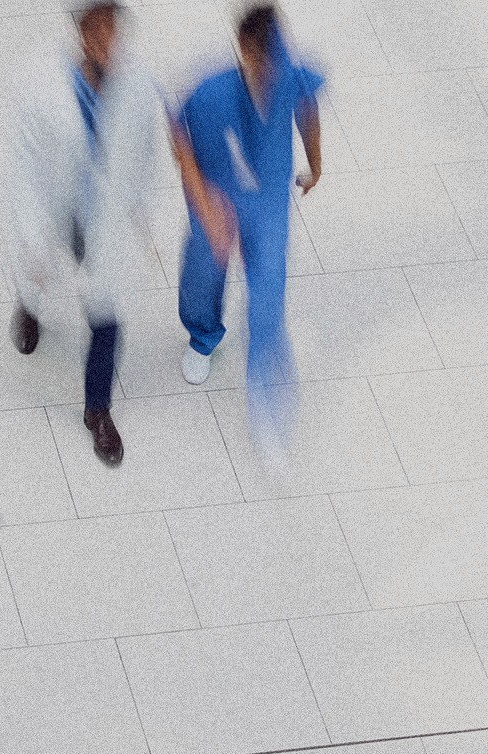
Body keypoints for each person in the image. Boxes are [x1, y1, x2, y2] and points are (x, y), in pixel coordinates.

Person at [5, 1, 163, 467]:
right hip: (54, 210)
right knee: (36, 274)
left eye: (113, 29)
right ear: (79, 31)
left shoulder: (138, 88)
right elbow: (25, 169)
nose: (107, 40)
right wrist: (32, 234)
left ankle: (98, 410)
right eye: (97, 29)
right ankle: (29, 307)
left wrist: (142, 214)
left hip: (107, 218)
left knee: (107, 313)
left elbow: (146, 156)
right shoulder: (41, 83)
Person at [173, 4, 322, 443]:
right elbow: (179, 137)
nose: (269, 69)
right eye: (261, 57)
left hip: (269, 201)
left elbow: (308, 111)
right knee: (203, 271)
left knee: (268, 290)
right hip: (218, 199)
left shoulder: (291, 77)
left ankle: (264, 390)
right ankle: (203, 334)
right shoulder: (211, 91)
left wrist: (316, 166)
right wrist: (203, 204)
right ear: (243, 49)